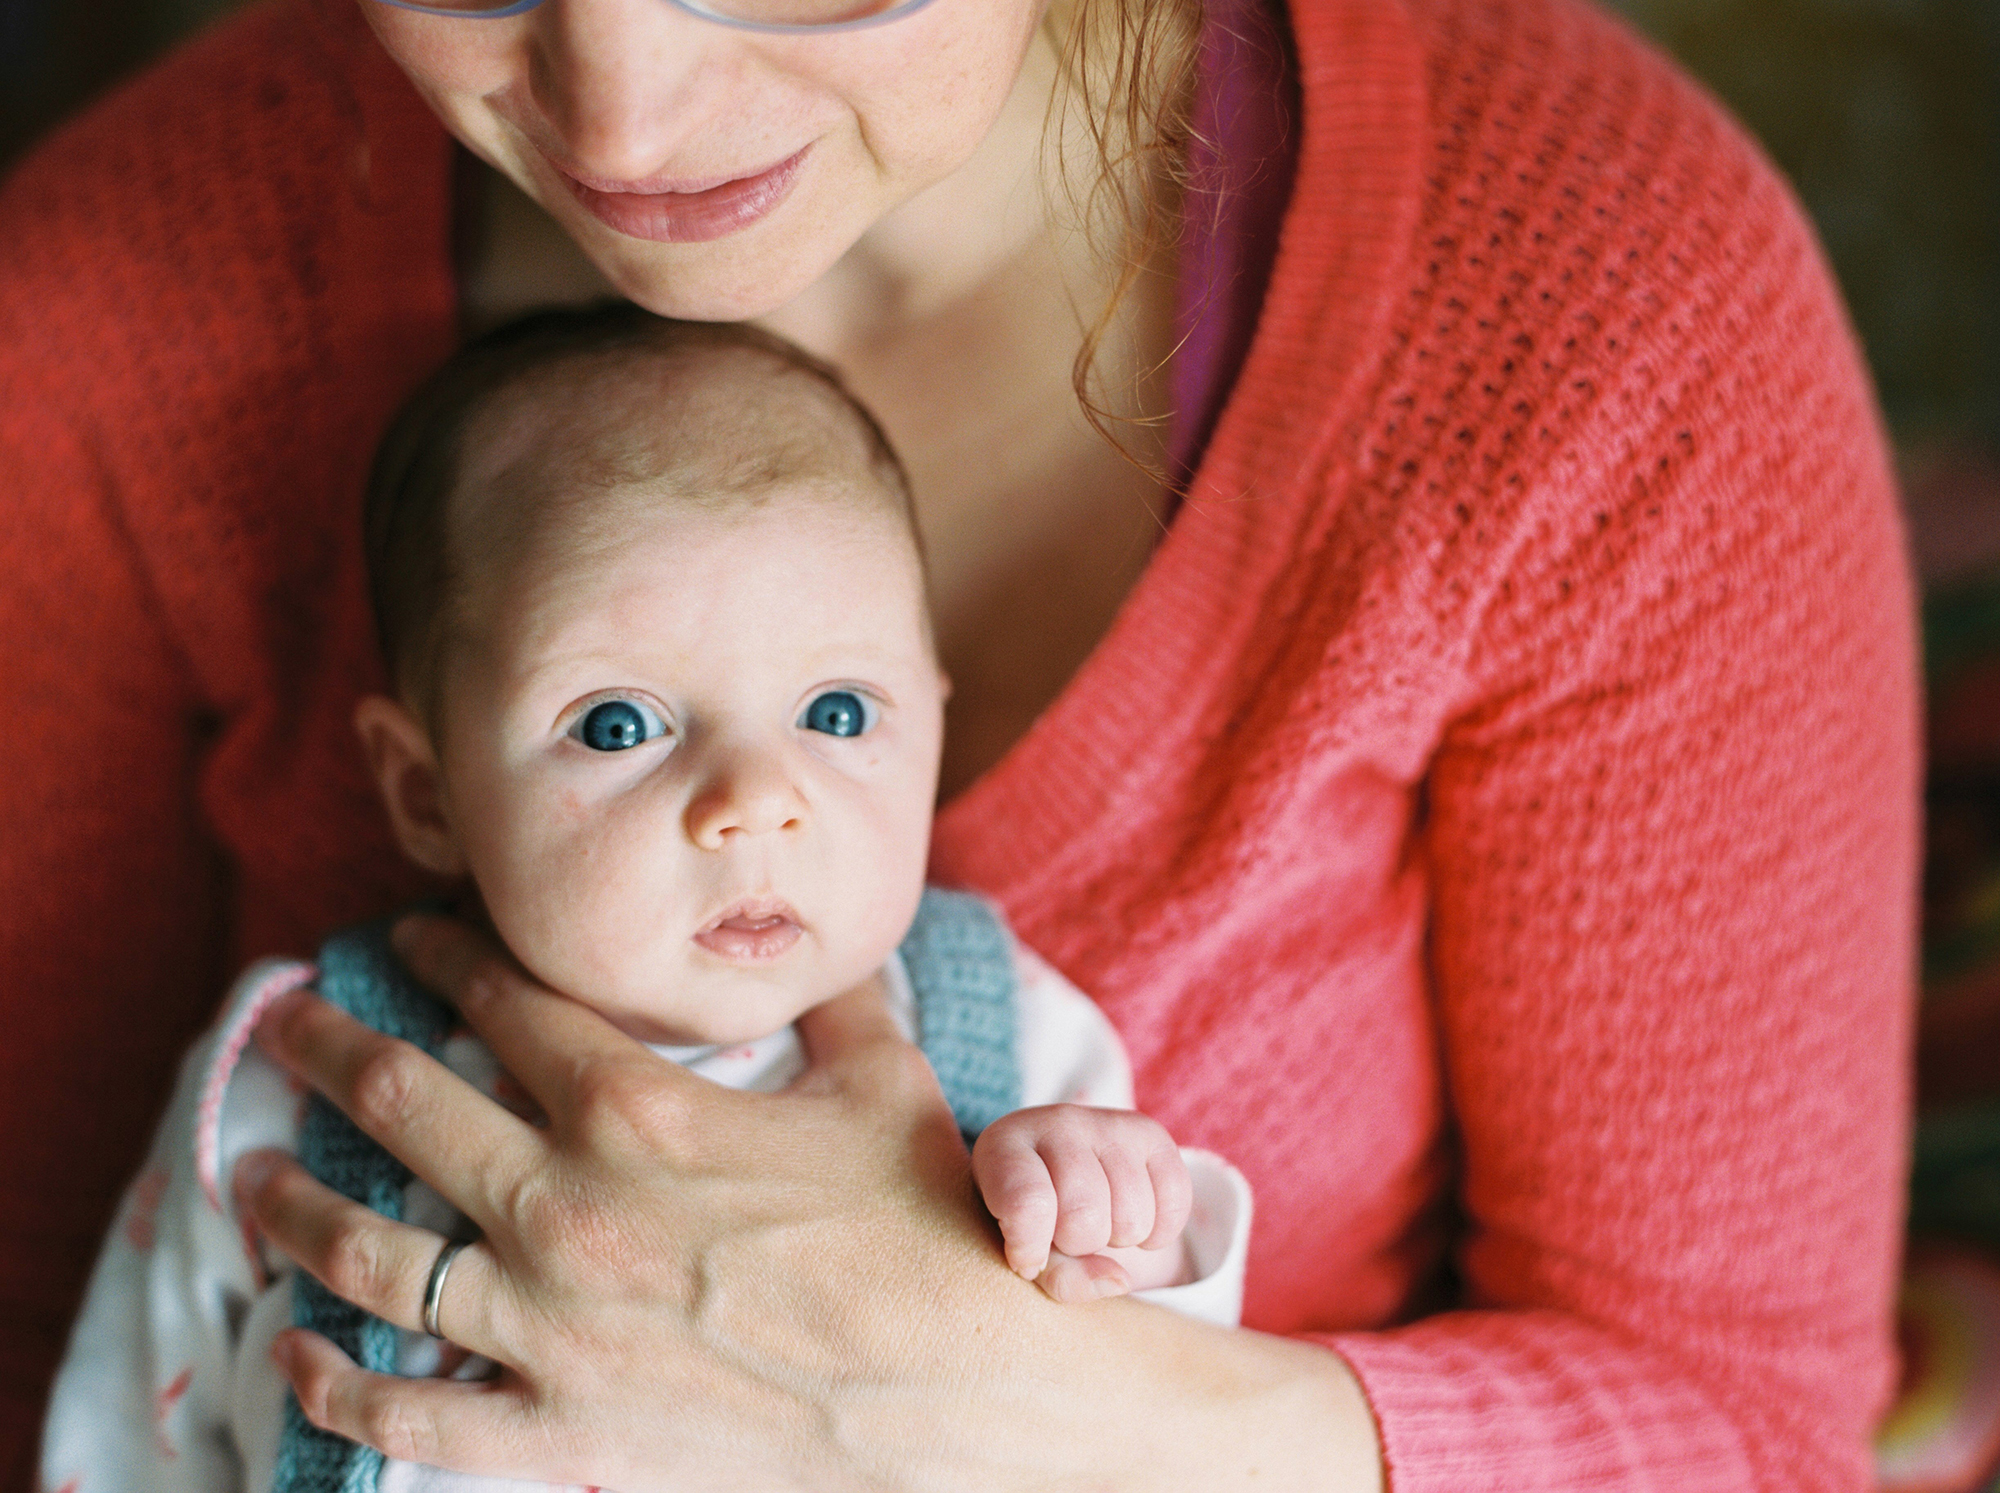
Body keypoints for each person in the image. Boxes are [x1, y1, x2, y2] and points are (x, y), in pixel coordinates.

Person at [0, 0, 1915, 1483]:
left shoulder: (1592, 307)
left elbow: (1743, 1423)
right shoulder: (101, 315)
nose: (618, 116)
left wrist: (1009, 1408)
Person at [39, 305, 1253, 1492]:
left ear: (933, 717)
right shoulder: (300, 1079)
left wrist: (1112, 1216)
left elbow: (1155, 1408)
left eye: (836, 712)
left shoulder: (1005, 1046)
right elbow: (129, 1428)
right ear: (427, 792)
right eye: (616, 724)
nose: (754, 800)